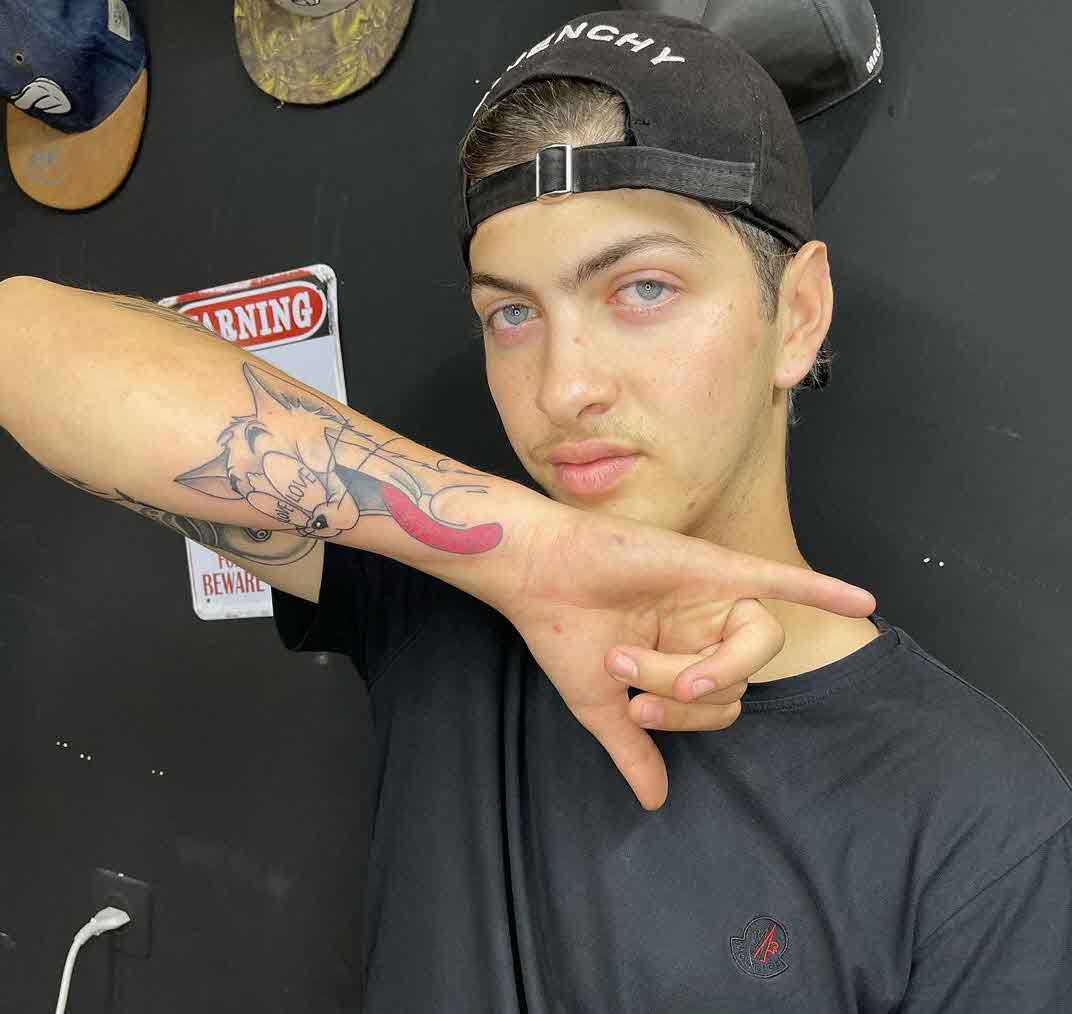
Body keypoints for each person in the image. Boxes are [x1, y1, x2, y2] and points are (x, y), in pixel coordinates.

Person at [1, 9, 1068, 1012]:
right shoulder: (443, 592)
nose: (564, 387)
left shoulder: (975, 818)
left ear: (797, 314)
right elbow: (26, 342)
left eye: (642, 288)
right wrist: (521, 553)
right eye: (511, 313)